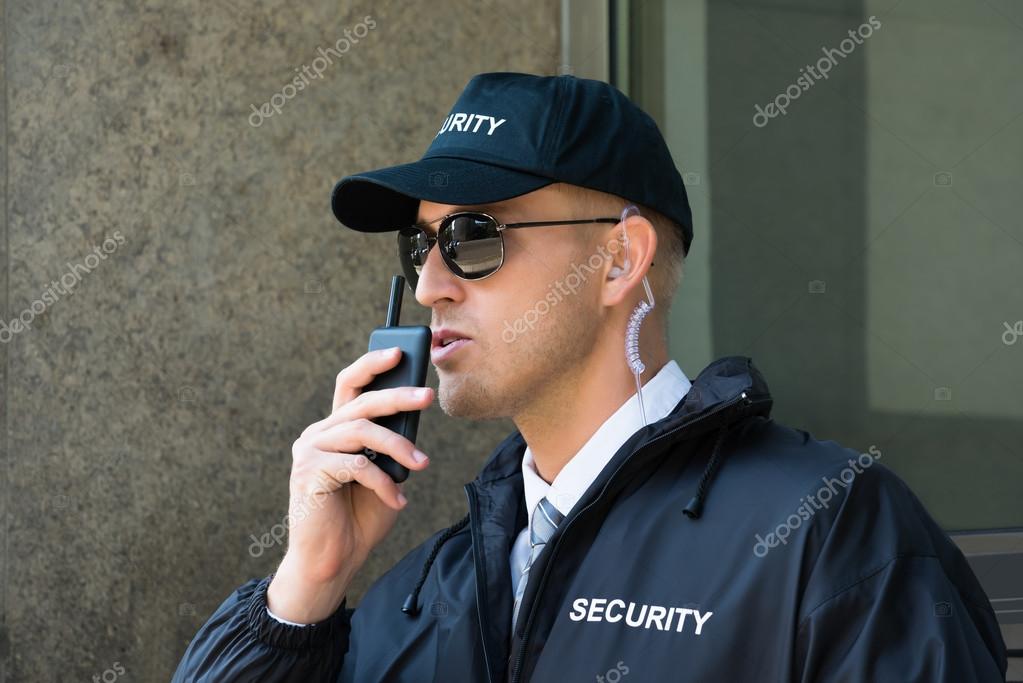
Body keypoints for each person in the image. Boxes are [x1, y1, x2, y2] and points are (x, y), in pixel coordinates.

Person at [172, 72, 1007, 682]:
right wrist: (301, 592)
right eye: (420, 246)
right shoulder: (423, 592)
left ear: (618, 260)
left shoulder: (827, 530)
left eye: (471, 234)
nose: (430, 284)